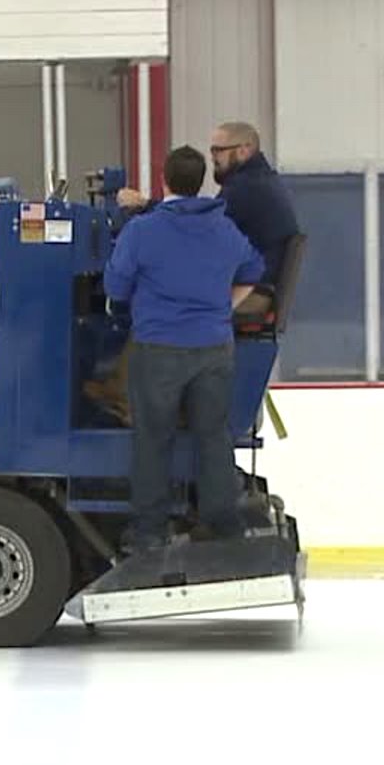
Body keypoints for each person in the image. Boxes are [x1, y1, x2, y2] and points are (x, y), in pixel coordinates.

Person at [104, 145, 265, 553]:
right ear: (201, 183)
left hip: (159, 347)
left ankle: (149, 531)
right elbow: (254, 269)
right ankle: (223, 525)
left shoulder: (142, 230)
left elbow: (115, 288)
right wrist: (222, 307)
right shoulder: (223, 229)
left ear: (164, 180)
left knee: (153, 438)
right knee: (213, 436)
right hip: (214, 347)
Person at [117, 120, 298, 314]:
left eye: (218, 150)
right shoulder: (259, 180)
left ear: (244, 150)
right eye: (212, 150)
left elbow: (199, 225)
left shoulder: (247, 188)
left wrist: (146, 206)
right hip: (255, 287)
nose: (213, 157)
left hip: (252, 294)